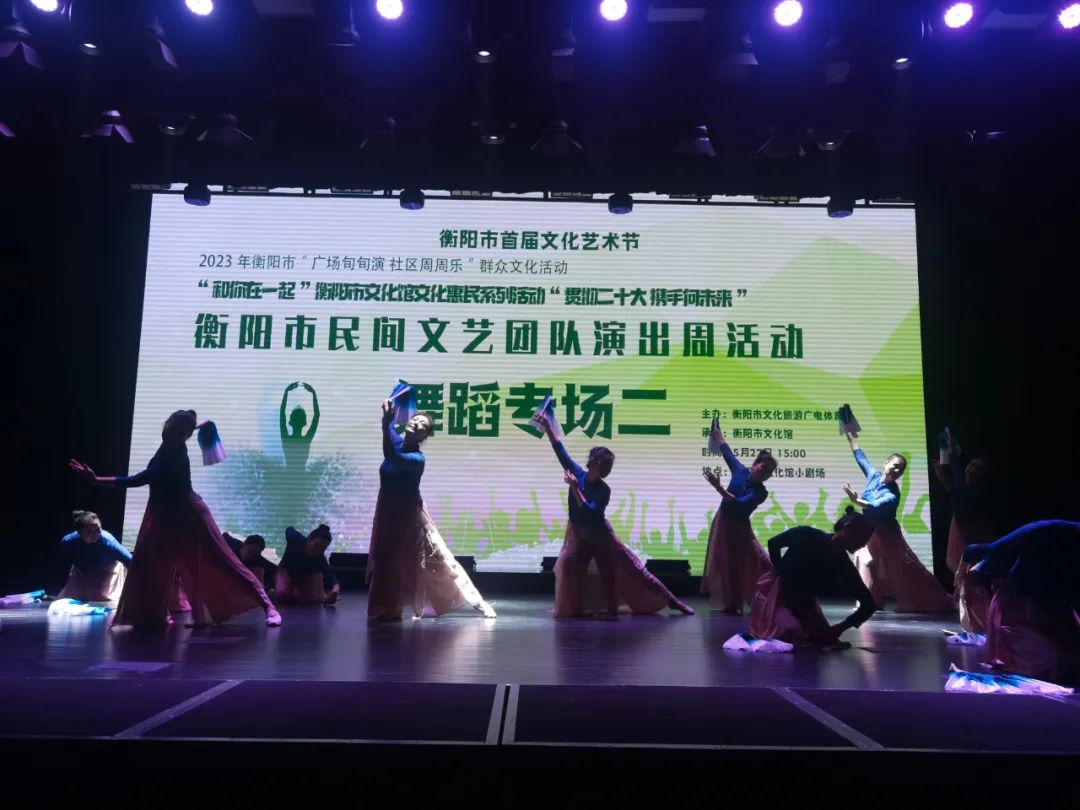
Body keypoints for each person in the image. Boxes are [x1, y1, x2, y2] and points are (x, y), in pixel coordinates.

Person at [70, 409, 281, 631]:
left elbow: (137, 480)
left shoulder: (173, 453)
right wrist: (203, 423)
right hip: (164, 516)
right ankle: (157, 614)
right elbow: (195, 424)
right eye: (171, 426)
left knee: (223, 562)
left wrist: (96, 480)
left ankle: (269, 607)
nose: (171, 430)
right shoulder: (173, 440)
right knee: (148, 564)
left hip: (189, 515)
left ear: (182, 435)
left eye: (178, 431)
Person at [535, 412, 693, 618]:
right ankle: (576, 608)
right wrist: (547, 426)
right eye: (605, 465)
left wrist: (574, 488)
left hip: (601, 536)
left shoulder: (603, 490)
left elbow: (591, 511)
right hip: (578, 535)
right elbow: (559, 449)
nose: (607, 469)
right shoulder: (577, 473)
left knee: (631, 569)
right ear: (593, 462)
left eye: (609, 467)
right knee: (568, 566)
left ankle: (672, 601)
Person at [367, 399, 495, 622]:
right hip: (387, 510)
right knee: (385, 560)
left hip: (410, 516)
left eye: (422, 426)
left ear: (423, 436)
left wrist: (386, 425)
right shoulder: (396, 442)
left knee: (439, 557)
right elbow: (389, 427)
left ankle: (477, 601)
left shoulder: (417, 459)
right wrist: (388, 411)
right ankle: (384, 609)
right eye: (415, 419)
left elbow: (391, 456)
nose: (416, 423)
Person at [842, 431, 951, 612]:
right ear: (886, 463)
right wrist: (849, 435)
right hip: (868, 531)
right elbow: (860, 456)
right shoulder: (873, 475)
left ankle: (938, 598)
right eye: (895, 466)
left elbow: (874, 505)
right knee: (864, 560)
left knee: (902, 570)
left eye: (901, 470)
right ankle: (870, 600)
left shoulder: (892, 493)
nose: (897, 471)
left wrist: (856, 500)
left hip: (887, 534)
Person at [962, 520, 1080, 682]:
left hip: (1054, 605)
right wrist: (972, 563)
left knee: (1070, 660)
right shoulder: (1057, 530)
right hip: (1021, 604)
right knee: (1053, 663)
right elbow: (994, 548)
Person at [749, 508, 877, 649]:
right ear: (848, 528)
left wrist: (839, 628)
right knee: (788, 632)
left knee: (818, 638)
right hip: (773, 596)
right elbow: (774, 543)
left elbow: (869, 605)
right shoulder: (807, 535)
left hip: (801, 603)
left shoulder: (843, 565)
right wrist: (779, 572)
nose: (863, 544)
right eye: (864, 537)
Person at [700, 420, 776, 613]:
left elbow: (740, 503)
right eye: (764, 467)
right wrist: (717, 432)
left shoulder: (760, 492)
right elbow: (726, 450)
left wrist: (719, 488)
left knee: (759, 561)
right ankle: (732, 603)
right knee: (727, 564)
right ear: (755, 464)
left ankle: (775, 595)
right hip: (723, 523)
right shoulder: (740, 470)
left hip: (740, 529)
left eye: (769, 471)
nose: (766, 473)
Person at [57, 510, 131, 602]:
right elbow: (62, 565)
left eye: (97, 529)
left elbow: (130, 561)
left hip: (108, 570)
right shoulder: (68, 542)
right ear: (79, 532)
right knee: (67, 599)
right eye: (89, 531)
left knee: (98, 597)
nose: (95, 534)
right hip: (83, 570)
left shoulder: (108, 542)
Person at [275, 525, 340, 605]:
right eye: (316, 545)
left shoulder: (320, 559)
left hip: (304, 578)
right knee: (283, 594)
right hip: (285, 572)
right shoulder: (295, 539)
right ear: (309, 538)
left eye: (322, 548)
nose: (317, 550)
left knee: (315, 598)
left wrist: (335, 589)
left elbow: (330, 574)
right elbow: (289, 529)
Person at [280, 381, 320, 471]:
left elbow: (282, 413)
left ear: (290, 422)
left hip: (287, 474)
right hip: (302, 474)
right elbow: (317, 415)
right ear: (305, 423)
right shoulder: (306, 440)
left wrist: (286, 392)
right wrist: (313, 393)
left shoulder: (286, 439)